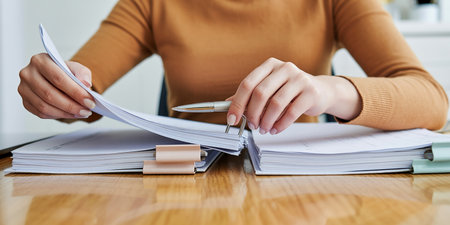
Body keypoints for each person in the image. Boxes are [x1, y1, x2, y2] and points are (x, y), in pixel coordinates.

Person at [18, 0, 448, 135]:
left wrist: (330, 90)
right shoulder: (151, 3)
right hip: (182, 198)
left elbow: (433, 101)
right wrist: (57, 85)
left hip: (305, 196)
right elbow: (79, 83)